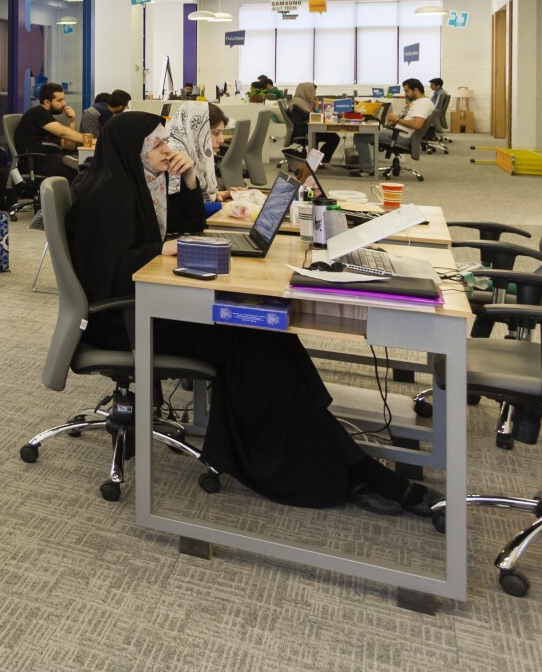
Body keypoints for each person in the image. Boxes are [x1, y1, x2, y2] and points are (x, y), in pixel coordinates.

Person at [62, 107, 432, 512]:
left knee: (269, 333)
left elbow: (190, 226)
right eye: (158, 144)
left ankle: (336, 452)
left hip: (151, 304)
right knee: (250, 342)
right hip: (124, 321)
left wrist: (189, 179)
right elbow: (109, 274)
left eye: (167, 141)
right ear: (133, 148)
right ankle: (334, 466)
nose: (167, 150)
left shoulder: (139, 182)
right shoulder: (106, 197)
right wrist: (161, 249)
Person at [14, 82, 84, 166]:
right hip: (35, 161)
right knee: (81, 169)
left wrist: (72, 121)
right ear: (47, 102)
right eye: (60, 100)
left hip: (51, 158)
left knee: (83, 165)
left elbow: (69, 146)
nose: (64, 103)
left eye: (64, 99)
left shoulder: (47, 119)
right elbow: (62, 132)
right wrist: (91, 140)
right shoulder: (38, 113)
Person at [286, 82, 339, 163]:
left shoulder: (301, 101)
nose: (314, 94)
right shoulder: (298, 103)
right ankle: (321, 161)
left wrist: (316, 105)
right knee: (334, 138)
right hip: (304, 130)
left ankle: (319, 160)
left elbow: (312, 116)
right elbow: (311, 117)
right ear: (307, 92)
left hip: (306, 128)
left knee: (333, 136)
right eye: (313, 92)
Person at [380, 78, 434, 156]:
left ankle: (366, 164)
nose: (405, 94)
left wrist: (397, 119)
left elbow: (417, 124)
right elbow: (408, 117)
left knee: (363, 136)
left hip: (401, 137)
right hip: (398, 133)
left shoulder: (423, 103)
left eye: (407, 91)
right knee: (369, 133)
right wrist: (395, 121)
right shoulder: (417, 102)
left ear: (415, 90)